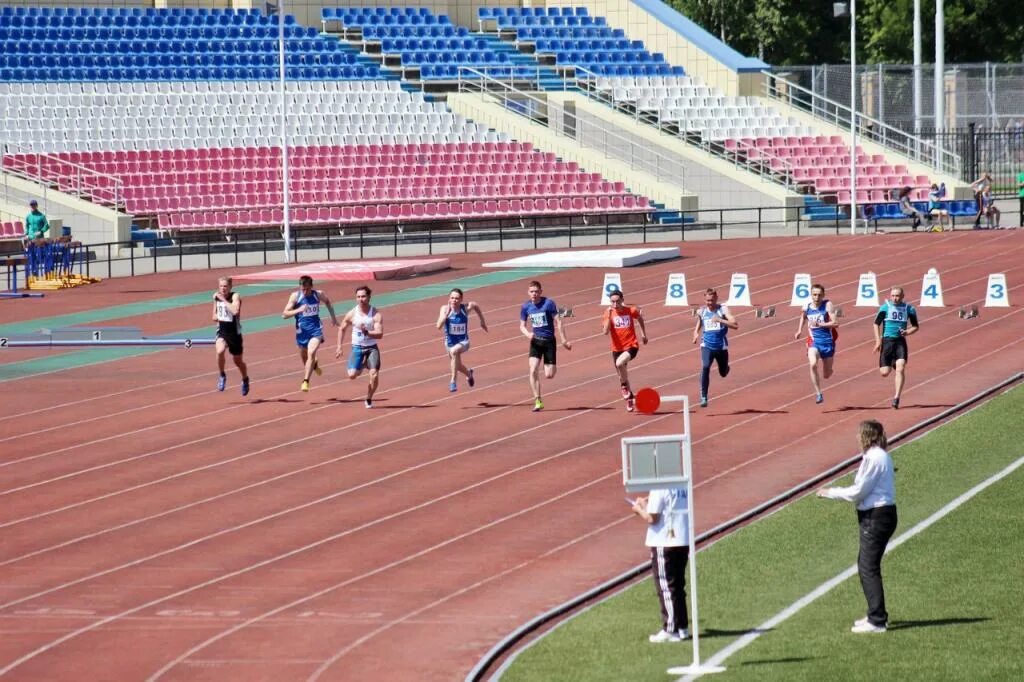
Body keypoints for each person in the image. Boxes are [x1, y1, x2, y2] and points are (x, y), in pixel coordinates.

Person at [817, 419, 897, 634]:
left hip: (876, 516)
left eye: (859, 435)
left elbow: (858, 492)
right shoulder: (879, 456)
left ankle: (878, 620)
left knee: (868, 567)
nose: (856, 439)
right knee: (866, 565)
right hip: (880, 515)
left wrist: (830, 492)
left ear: (866, 436)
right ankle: (875, 613)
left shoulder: (874, 458)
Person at [631, 487, 691, 642]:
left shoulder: (659, 487)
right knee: (678, 586)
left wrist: (639, 509)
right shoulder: (681, 484)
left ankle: (671, 629)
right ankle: (682, 627)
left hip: (664, 542)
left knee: (666, 586)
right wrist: (648, 500)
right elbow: (668, 502)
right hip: (682, 540)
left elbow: (652, 518)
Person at [519, 280, 572, 412]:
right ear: (528, 292)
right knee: (532, 370)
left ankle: (550, 365)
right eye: (531, 291)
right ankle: (538, 400)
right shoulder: (526, 307)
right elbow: (521, 325)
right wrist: (527, 334)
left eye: (536, 291)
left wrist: (564, 340)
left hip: (549, 342)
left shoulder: (548, 303)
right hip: (535, 342)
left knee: (549, 375)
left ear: (541, 292)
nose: (534, 294)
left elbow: (558, 320)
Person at [282, 275, 339, 393]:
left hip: (316, 330)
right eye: (302, 289)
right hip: (302, 332)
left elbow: (328, 302)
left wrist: (333, 317)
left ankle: (305, 381)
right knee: (305, 357)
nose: (305, 291)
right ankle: (314, 365)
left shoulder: (318, 294)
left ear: (311, 287)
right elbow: (284, 314)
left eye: (307, 289)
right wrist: (298, 310)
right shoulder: (295, 296)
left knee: (311, 352)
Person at [336, 285, 384, 408]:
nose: (361, 299)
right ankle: (363, 365)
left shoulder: (375, 314)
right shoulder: (352, 314)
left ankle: (369, 398)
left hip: (371, 347)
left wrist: (368, 333)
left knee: (374, 375)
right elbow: (342, 328)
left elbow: (380, 334)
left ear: (369, 297)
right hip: (357, 347)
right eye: (358, 297)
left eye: (363, 296)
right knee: (352, 375)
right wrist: (339, 346)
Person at [602, 289, 648, 411]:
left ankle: (623, 387)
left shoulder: (630, 310)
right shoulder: (609, 313)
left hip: (631, 346)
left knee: (619, 363)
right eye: (612, 302)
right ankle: (630, 398)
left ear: (622, 300)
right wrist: (609, 315)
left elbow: (640, 318)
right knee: (622, 375)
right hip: (616, 349)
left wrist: (643, 334)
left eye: (617, 301)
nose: (615, 304)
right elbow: (605, 332)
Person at [872, 287, 918, 409]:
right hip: (887, 342)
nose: (895, 298)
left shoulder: (909, 309)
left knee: (900, 368)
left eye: (897, 296)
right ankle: (893, 363)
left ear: (903, 296)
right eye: (892, 295)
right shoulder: (885, 307)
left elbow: (915, 326)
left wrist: (907, 332)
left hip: (900, 342)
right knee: (884, 372)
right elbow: (876, 323)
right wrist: (878, 341)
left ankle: (896, 398)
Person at [691, 287, 737, 408]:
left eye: (711, 300)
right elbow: (700, 321)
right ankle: (704, 396)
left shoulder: (723, 309)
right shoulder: (702, 311)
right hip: (706, 346)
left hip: (721, 347)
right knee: (705, 366)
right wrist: (695, 332)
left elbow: (735, 325)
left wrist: (720, 320)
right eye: (707, 301)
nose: (709, 303)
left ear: (716, 298)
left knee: (723, 373)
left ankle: (726, 368)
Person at [793, 283, 838, 404]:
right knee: (813, 364)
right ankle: (818, 393)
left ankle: (829, 370)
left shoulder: (828, 305)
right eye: (814, 295)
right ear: (811, 295)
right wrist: (799, 330)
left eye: (819, 295)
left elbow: (835, 323)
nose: (816, 297)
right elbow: (803, 317)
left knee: (827, 374)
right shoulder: (807, 306)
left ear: (823, 295)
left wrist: (821, 325)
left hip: (828, 342)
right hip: (814, 341)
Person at [436, 287, 487, 392]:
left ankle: (453, 381)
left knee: (454, 352)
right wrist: (445, 316)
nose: (454, 300)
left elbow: (475, 305)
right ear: (449, 299)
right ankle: (469, 374)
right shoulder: (444, 309)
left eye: (457, 298)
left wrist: (482, 321)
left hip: (463, 342)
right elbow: (438, 326)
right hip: (449, 342)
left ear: (461, 299)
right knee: (457, 366)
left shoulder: (465, 309)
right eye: (452, 298)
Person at [212, 276, 250, 396]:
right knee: (220, 351)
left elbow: (235, 311)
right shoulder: (216, 297)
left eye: (225, 286)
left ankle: (245, 379)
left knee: (238, 362)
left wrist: (223, 300)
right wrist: (219, 316)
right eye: (221, 286)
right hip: (222, 331)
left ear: (230, 287)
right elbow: (213, 316)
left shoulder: (235, 296)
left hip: (234, 334)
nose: (223, 288)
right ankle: (222, 375)